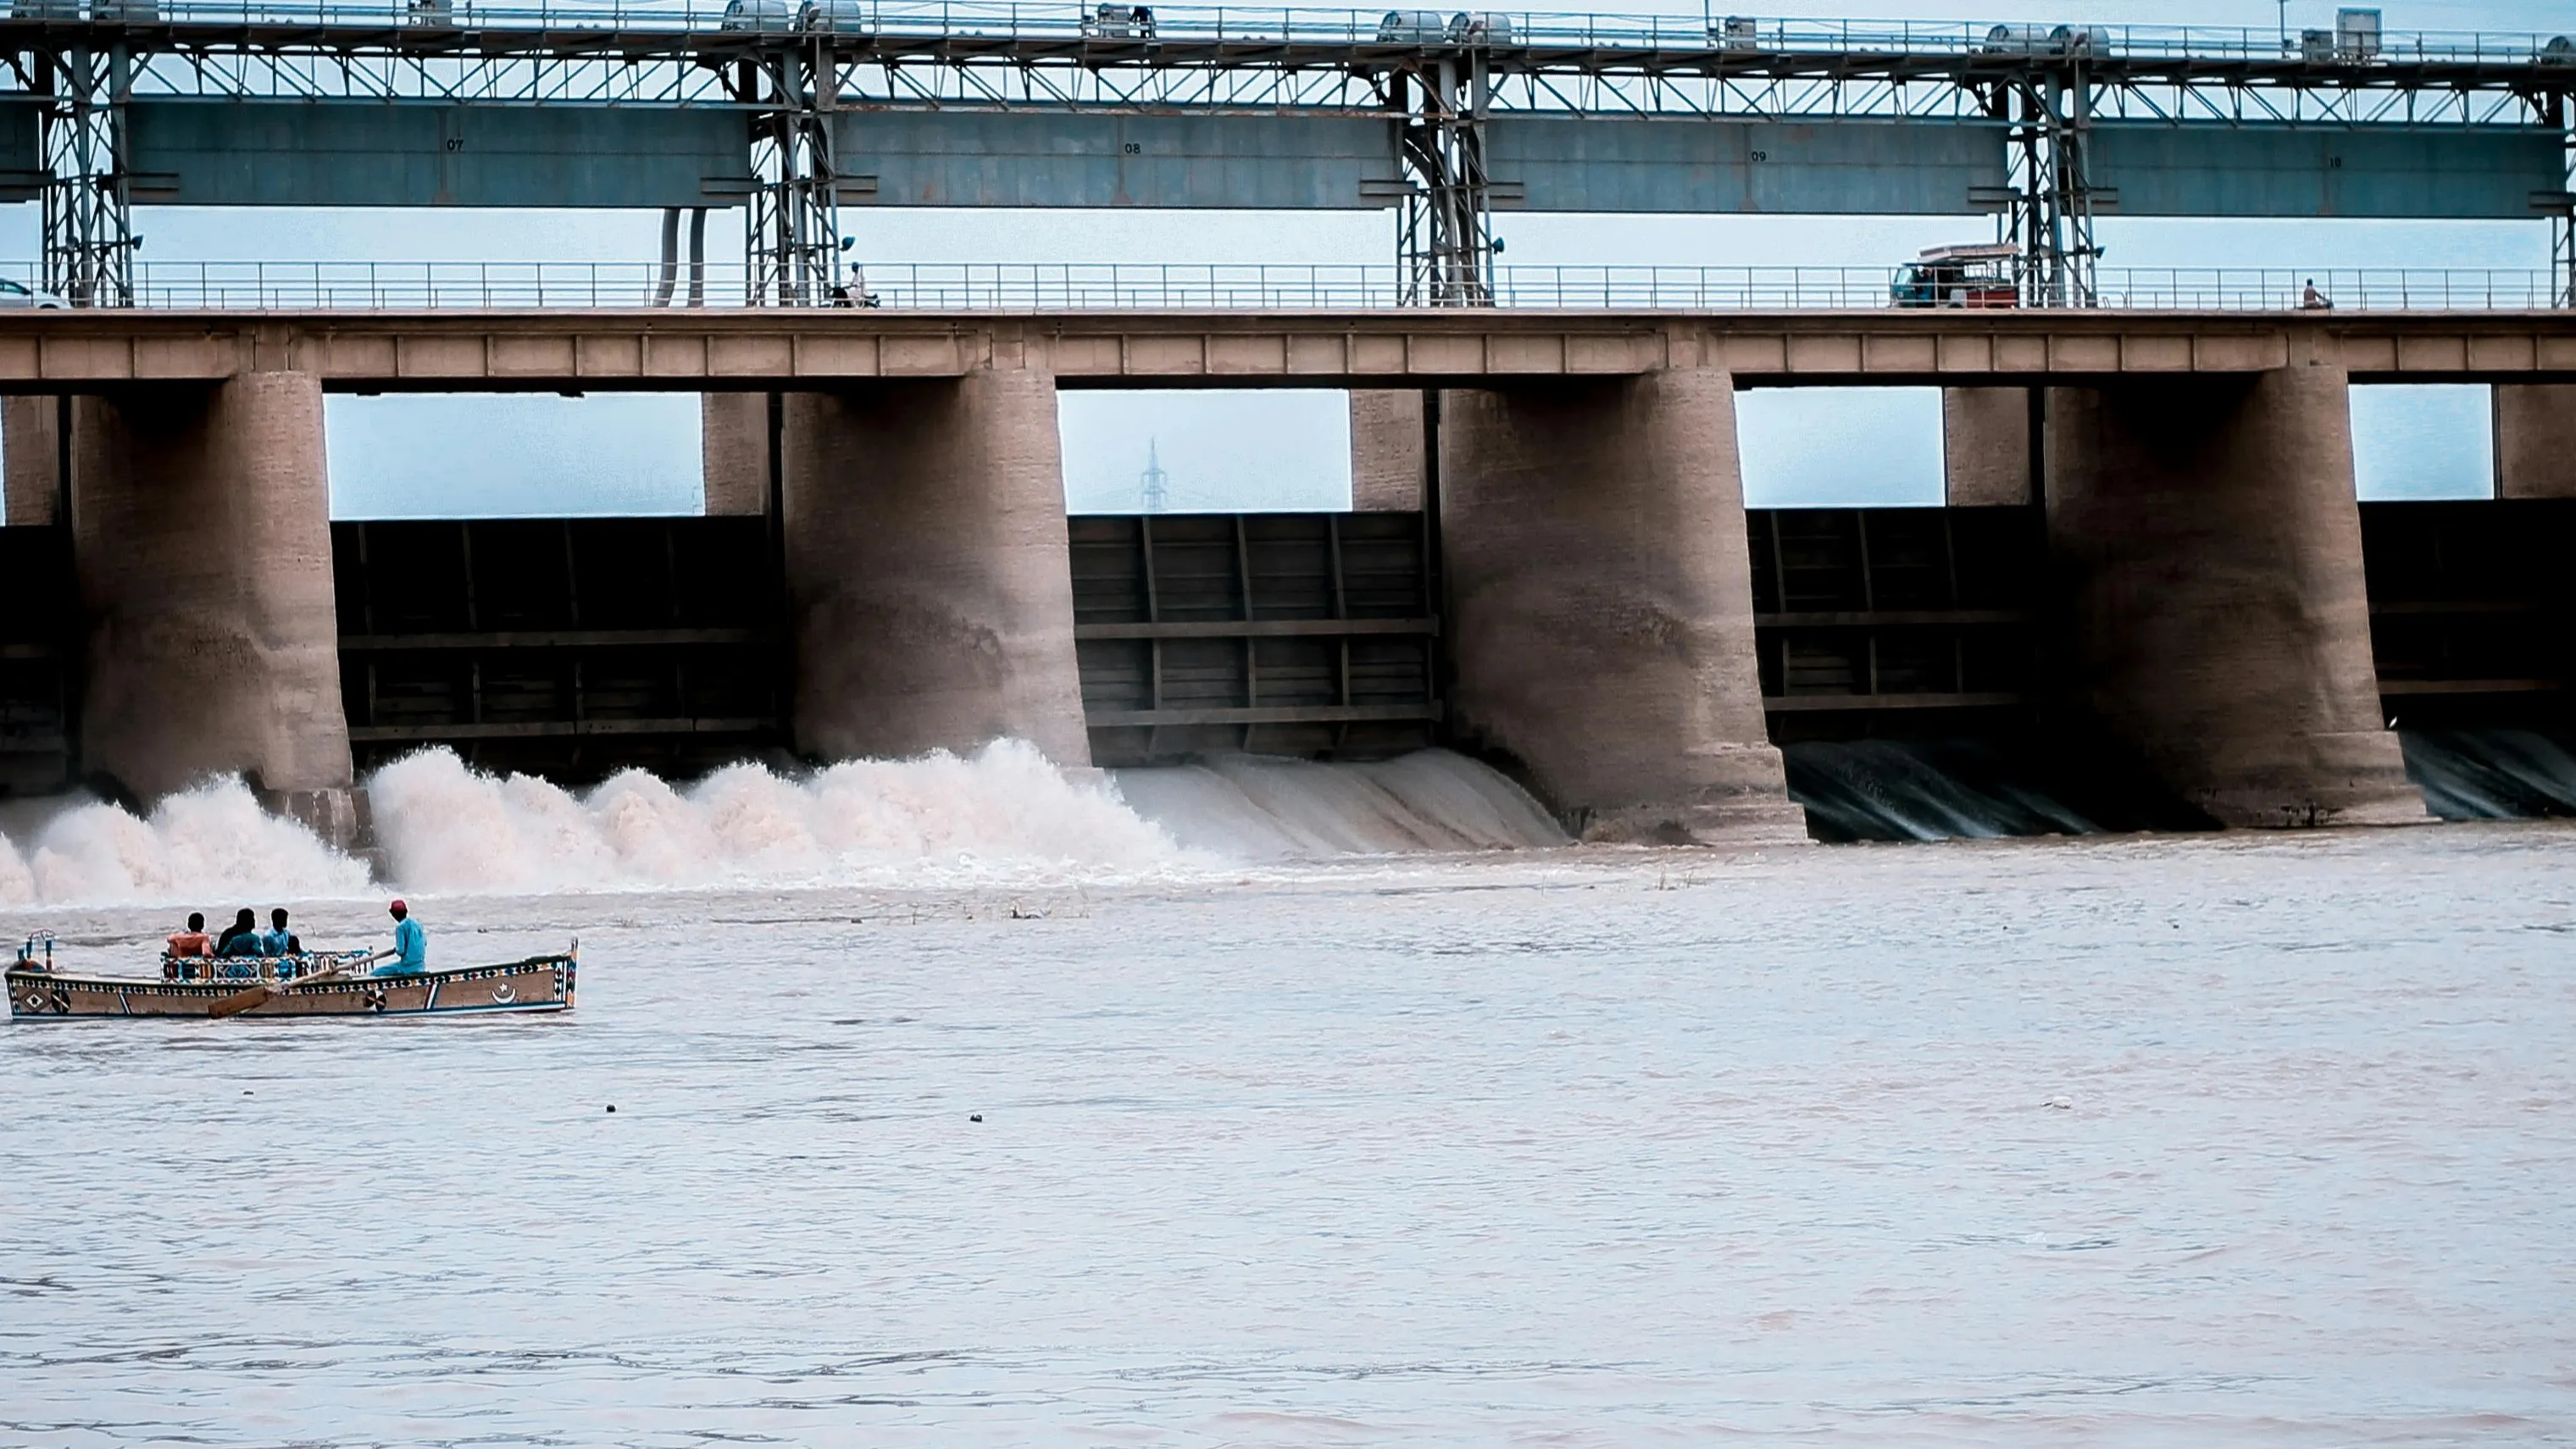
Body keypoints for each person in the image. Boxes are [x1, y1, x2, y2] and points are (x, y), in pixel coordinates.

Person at [365, 899, 428, 976]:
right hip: (421, 966)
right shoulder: (417, 923)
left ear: (393, 915)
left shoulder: (400, 927)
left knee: (375, 973)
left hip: (407, 967)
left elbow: (401, 951)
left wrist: (396, 950)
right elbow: (425, 943)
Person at [164, 913, 214, 981]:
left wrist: (181, 935)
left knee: (174, 947)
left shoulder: (180, 938)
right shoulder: (204, 937)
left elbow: (169, 939)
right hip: (199, 971)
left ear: (188, 925)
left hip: (183, 969)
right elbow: (206, 953)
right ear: (202, 925)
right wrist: (214, 956)